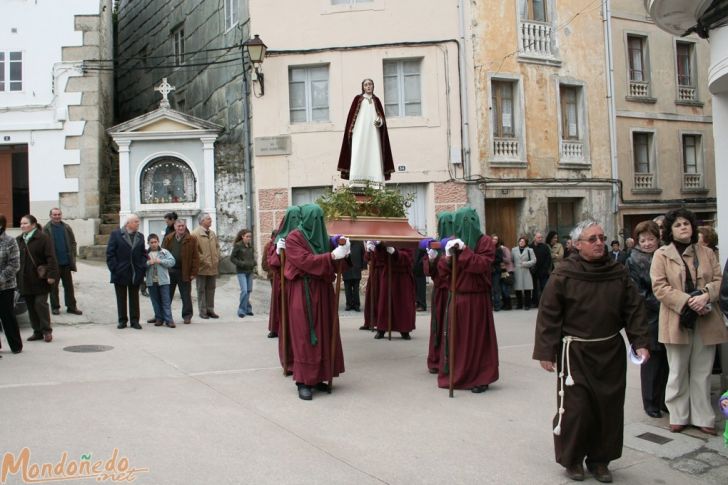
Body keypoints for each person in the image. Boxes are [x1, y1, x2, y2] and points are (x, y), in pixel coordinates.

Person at [533, 219, 650, 483]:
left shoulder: (617, 272)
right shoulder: (564, 273)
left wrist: (640, 341)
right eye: (592, 239)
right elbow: (549, 314)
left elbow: (633, 309)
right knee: (576, 409)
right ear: (577, 245)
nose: (599, 243)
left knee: (607, 409)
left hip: (610, 352)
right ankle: (572, 459)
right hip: (574, 354)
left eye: (601, 238)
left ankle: (600, 460)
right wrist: (545, 351)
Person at [650, 208, 728, 436]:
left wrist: (705, 295)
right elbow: (659, 287)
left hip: (706, 318)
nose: (684, 227)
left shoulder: (707, 252)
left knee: (702, 371)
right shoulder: (661, 254)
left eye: (687, 223)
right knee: (677, 370)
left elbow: (719, 280)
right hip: (677, 319)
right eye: (678, 224)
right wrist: (687, 301)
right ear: (670, 231)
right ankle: (678, 415)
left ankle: (703, 416)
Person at [281, 204, 347, 400]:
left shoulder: (321, 237)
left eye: (321, 219)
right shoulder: (294, 237)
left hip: (323, 292)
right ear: (306, 219)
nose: (318, 223)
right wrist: (332, 256)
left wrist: (343, 251)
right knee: (305, 335)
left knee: (324, 332)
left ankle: (319, 376)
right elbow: (305, 261)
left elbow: (334, 263)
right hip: (303, 291)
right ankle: (303, 381)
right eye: (314, 219)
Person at [436, 207, 499, 393]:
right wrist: (446, 258)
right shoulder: (453, 241)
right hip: (457, 298)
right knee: (458, 340)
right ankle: (457, 374)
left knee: (478, 340)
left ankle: (481, 377)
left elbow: (482, 265)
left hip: (477, 299)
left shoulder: (485, 242)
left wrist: (464, 252)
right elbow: (443, 273)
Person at [626, 221, 669, 418]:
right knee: (651, 360)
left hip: (668, 313)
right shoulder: (633, 259)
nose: (647, 243)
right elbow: (638, 293)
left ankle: (665, 400)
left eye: (651, 239)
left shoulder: (665, 255)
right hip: (649, 316)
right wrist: (664, 303)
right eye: (642, 240)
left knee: (668, 361)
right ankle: (650, 402)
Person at [337, 78, 395, 186]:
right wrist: (352, 132)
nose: (368, 86)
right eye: (366, 85)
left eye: (370, 84)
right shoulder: (358, 99)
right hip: (359, 134)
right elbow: (351, 119)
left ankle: (375, 182)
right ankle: (357, 183)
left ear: (373, 86)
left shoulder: (376, 101)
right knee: (358, 152)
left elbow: (381, 118)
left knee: (374, 154)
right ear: (363, 87)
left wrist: (380, 121)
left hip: (374, 135)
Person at [16, 215, 59, 343]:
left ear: (33, 224)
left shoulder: (43, 238)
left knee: (40, 304)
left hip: (40, 279)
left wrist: (51, 275)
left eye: (25, 223)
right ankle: (37, 331)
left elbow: (51, 258)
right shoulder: (19, 240)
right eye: (21, 223)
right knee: (30, 306)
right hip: (25, 279)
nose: (22, 226)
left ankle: (47, 331)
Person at [424, 211, 454, 373]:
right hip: (440, 293)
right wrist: (431, 258)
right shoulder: (436, 244)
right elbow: (429, 271)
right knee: (438, 326)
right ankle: (436, 360)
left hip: (452, 291)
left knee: (450, 326)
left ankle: (450, 360)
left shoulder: (458, 243)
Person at [368, 241, 416, 340]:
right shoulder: (386, 239)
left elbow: (409, 258)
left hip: (403, 276)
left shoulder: (406, 240)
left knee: (404, 304)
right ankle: (381, 329)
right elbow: (380, 258)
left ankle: (404, 330)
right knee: (384, 302)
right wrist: (378, 247)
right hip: (388, 273)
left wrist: (395, 252)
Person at [107, 214, 147, 330]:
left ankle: (135, 321)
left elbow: (143, 253)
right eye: (136, 222)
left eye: (138, 222)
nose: (138, 224)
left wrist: (142, 266)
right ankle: (122, 320)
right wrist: (115, 268)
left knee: (134, 297)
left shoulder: (140, 236)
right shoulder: (116, 235)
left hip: (135, 272)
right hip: (120, 271)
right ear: (128, 223)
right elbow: (110, 253)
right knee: (121, 297)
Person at [269, 207, 302, 342]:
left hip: (297, 278)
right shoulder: (279, 237)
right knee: (281, 304)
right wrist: (278, 252)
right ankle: (278, 328)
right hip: (281, 277)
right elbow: (271, 260)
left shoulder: (303, 235)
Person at [44, 208, 82, 316]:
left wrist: (72, 256)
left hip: (66, 263)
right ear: (50, 216)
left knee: (69, 287)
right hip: (53, 264)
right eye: (54, 214)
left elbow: (73, 242)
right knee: (53, 288)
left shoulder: (66, 227)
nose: (57, 216)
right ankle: (55, 307)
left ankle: (71, 307)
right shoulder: (46, 229)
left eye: (59, 214)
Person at [162, 219, 198, 325]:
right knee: (167, 295)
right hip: (170, 271)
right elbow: (162, 253)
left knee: (186, 295)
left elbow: (196, 257)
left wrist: (193, 273)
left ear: (185, 226)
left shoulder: (191, 239)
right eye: (179, 226)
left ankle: (187, 316)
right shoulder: (168, 238)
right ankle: (165, 315)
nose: (181, 228)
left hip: (185, 271)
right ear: (175, 227)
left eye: (182, 226)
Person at [0, 214, 22, 355]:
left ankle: (16, 345)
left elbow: (14, 264)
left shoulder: (10, 241)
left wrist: (1, 279)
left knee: (7, 316)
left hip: (5, 287)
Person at [192, 212, 220, 319]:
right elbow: (195, 251)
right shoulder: (195, 234)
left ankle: (210, 310)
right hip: (202, 267)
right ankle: (202, 311)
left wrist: (217, 258)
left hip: (213, 266)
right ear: (202, 221)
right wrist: (204, 260)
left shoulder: (212, 233)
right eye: (208, 219)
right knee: (201, 289)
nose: (211, 220)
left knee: (211, 289)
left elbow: (217, 247)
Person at [145, 234, 176, 327]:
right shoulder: (146, 254)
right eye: (151, 242)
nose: (154, 244)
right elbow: (140, 265)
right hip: (151, 281)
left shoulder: (164, 252)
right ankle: (159, 318)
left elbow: (172, 262)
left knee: (166, 301)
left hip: (164, 281)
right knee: (155, 301)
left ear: (158, 242)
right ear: (148, 243)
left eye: (155, 242)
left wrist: (161, 261)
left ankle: (169, 320)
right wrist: (148, 263)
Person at [230, 229, 255, 318]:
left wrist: (253, 263)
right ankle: (241, 310)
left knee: (248, 291)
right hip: (241, 272)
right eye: (247, 236)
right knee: (244, 291)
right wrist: (241, 263)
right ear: (242, 236)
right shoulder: (238, 246)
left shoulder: (250, 246)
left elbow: (252, 257)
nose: (249, 238)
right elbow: (232, 258)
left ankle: (248, 309)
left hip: (250, 271)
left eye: (250, 237)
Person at [512, 236, 536, 310]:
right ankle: (519, 304)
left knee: (527, 288)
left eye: (523, 241)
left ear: (526, 243)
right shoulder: (514, 250)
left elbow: (534, 260)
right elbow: (511, 260)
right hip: (517, 271)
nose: (521, 242)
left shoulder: (530, 250)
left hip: (526, 271)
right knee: (518, 289)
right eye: (520, 241)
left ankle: (527, 305)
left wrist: (526, 263)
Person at [531, 231, 552, 307]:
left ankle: (545, 303)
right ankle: (535, 302)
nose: (540, 239)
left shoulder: (545, 247)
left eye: (541, 237)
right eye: (538, 237)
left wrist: (545, 268)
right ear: (534, 238)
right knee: (534, 288)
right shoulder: (530, 247)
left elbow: (548, 259)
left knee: (544, 287)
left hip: (543, 271)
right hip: (533, 271)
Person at [343, 240, 365, 312]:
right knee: (347, 288)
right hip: (346, 269)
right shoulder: (343, 242)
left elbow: (363, 254)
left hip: (356, 268)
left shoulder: (359, 242)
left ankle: (356, 305)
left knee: (356, 288)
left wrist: (363, 267)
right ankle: (349, 304)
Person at [499, 237, 514, 311]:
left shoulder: (505, 249)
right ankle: (505, 304)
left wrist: (500, 257)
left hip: (507, 271)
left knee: (505, 289)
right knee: (502, 289)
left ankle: (509, 305)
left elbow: (508, 259)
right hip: (502, 271)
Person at [490, 234, 504, 311]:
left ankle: (497, 305)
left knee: (496, 288)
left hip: (496, 271)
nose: (495, 241)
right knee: (489, 289)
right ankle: (489, 305)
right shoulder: (487, 248)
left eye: (496, 239)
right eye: (493, 239)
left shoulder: (499, 249)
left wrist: (491, 260)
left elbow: (500, 259)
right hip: (488, 270)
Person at [413, 247, 428, 312]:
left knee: (421, 288)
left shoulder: (421, 243)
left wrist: (420, 262)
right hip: (414, 267)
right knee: (415, 287)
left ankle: (422, 305)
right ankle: (416, 302)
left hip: (420, 269)